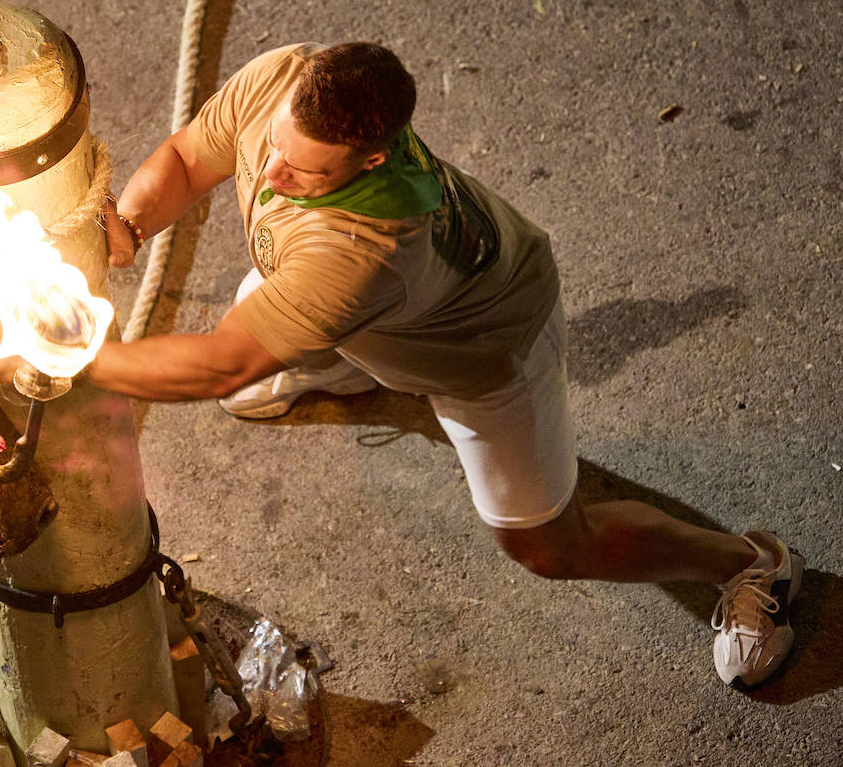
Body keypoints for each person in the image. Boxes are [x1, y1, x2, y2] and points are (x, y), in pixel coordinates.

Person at [85, 40, 803, 688]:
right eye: (274, 147)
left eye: (302, 170)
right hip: (356, 312)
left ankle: (747, 564)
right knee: (290, 317)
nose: (271, 174)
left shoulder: (366, 249)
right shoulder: (284, 78)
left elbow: (220, 367)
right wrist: (135, 222)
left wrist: (68, 360)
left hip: (481, 350)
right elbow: (186, 157)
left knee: (546, 547)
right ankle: (339, 356)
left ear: (371, 160)